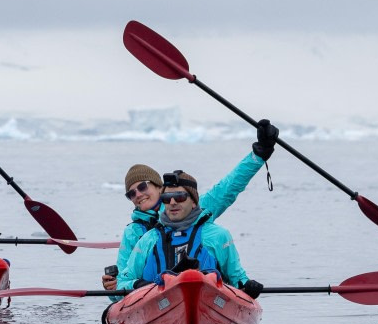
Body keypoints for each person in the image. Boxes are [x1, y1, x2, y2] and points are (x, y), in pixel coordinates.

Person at [102, 119, 279, 291]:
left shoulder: (194, 208)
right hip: (154, 300)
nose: (138, 195)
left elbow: (229, 187)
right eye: (131, 194)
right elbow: (122, 286)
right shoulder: (135, 234)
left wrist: (259, 155)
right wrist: (114, 288)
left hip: (204, 292)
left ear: (159, 186)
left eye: (142, 187)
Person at [115, 170, 264, 298]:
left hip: (207, 302)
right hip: (157, 306)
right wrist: (138, 284)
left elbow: (237, 278)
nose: (172, 202)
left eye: (180, 197)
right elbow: (122, 283)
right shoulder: (148, 239)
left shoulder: (218, 235)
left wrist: (248, 286)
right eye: (167, 199)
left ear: (193, 201)